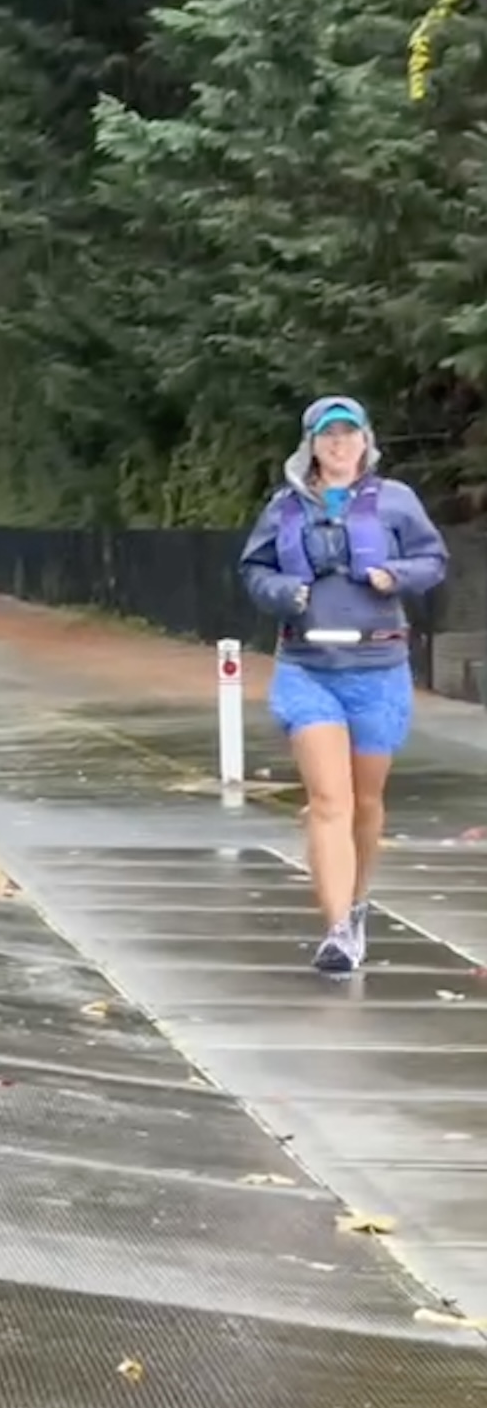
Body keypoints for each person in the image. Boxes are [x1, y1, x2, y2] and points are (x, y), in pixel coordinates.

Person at [239, 395, 448, 974]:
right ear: (310, 445)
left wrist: (395, 574)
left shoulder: (396, 502)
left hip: (378, 670)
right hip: (308, 667)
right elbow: (253, 570)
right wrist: (286, 593)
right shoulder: (284, 507)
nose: (338, 444)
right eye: (327, 436)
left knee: (365, 803)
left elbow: (433, 559)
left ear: (365, 440)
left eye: (348, 434)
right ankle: (336, 933)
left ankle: (357, 904)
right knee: (329, 800)